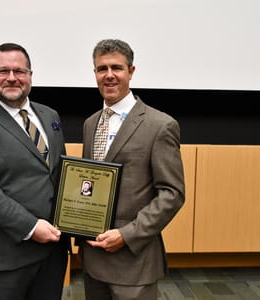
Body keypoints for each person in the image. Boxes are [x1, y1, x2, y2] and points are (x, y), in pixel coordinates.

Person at [0, 42, 68, 300]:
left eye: (19, 71)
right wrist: (30, 227)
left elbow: (58, 172)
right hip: (6, 254)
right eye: (3, 71)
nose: (11, 78)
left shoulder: (49, 115)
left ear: (30, 75)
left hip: (52, 250)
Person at [80, 39, 185, 300]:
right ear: (95, 74)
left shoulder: (160, 125)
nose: (109, 75)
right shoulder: (90, 124)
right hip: (93, 256)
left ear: (131, 71)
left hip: (133, 260)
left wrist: (127, 235)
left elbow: (172, 193)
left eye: (116, 67)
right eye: (101, 69)